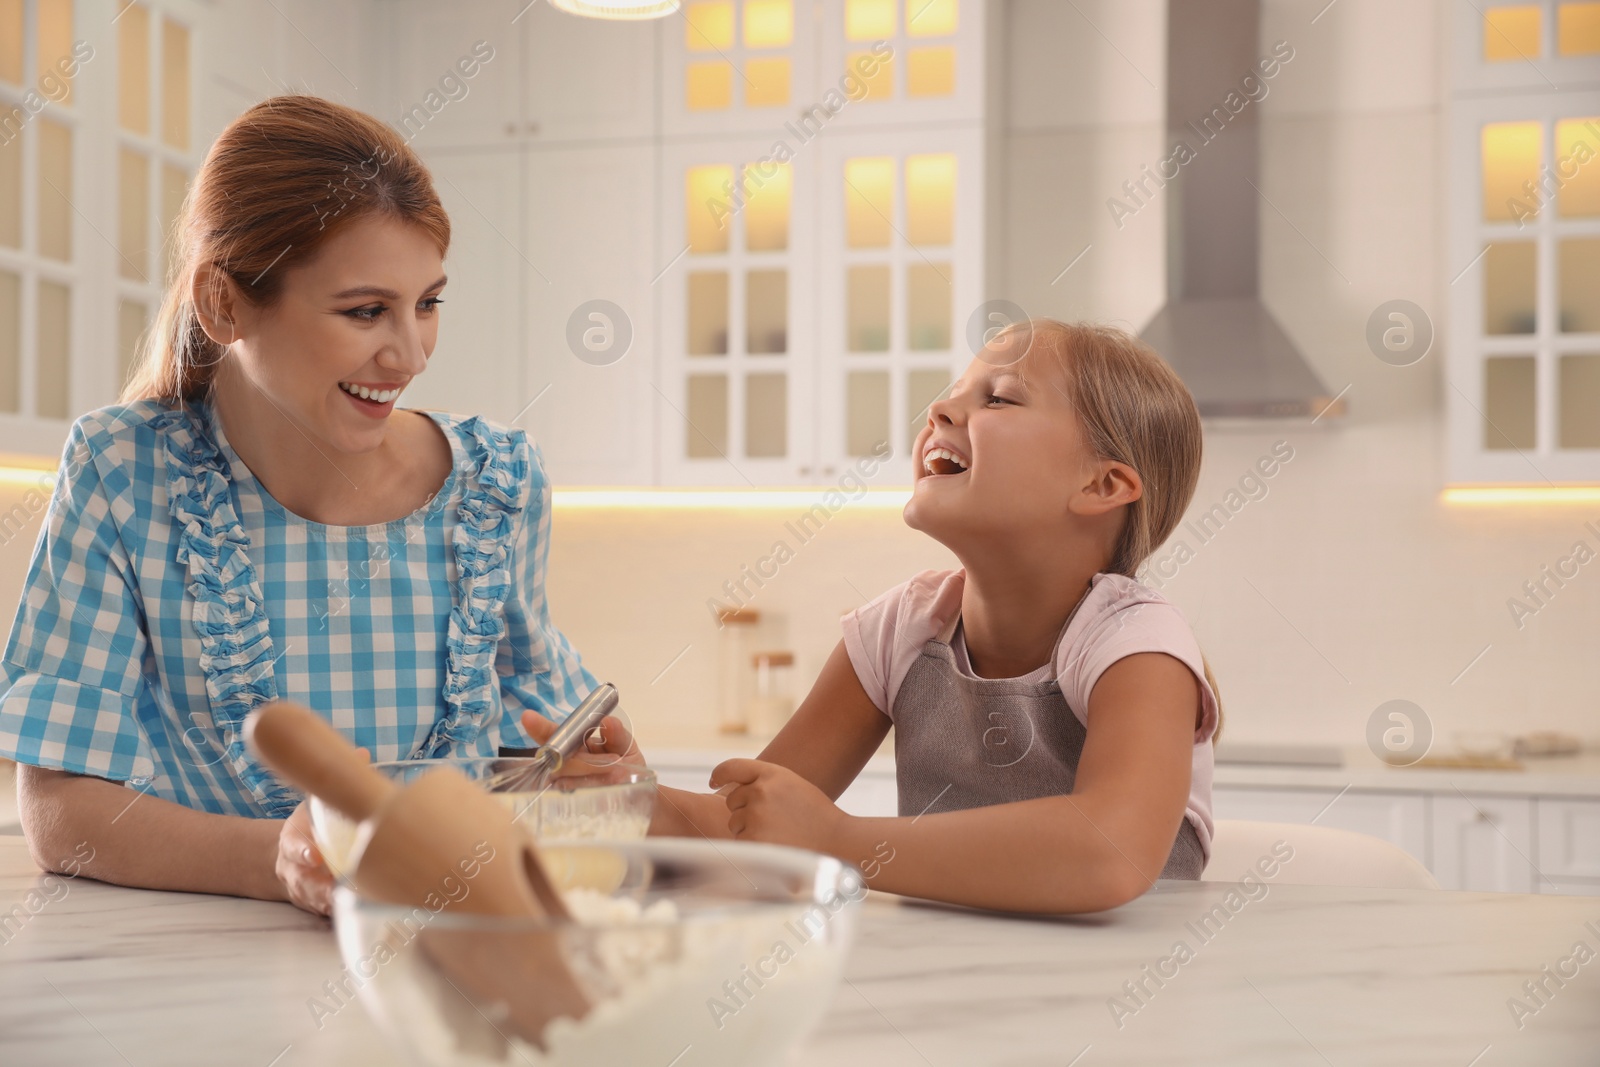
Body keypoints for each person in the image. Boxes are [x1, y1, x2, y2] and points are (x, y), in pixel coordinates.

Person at [0, 95, 597, 917]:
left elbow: (543, 763)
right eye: (365, 311)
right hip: (191, 984)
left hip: (452, 962)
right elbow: (62, 812)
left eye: (428, 303)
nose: (412, 354)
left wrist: (593, 773)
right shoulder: (122, 472)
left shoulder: (498, 488)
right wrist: (276, 857)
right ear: (226, 304)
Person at [570, 320, 1221, 914]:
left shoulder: (1136, 642)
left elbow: (1110, 852)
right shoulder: (899, 630)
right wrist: (628, 797)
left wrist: (841, 839)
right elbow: (750, 826)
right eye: (953, 393)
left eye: (998, 398)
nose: (938, 409)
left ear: (1101, 486)